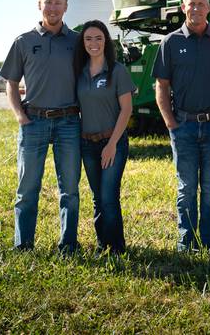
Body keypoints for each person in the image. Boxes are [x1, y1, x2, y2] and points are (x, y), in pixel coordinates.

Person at [0, 0, 82, 253]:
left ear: (66, 7)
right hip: (33, 121)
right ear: (39, 5)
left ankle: (68, 244)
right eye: (48, 2)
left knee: (69, 189)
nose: (53, 8)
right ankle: (23, 244)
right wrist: (19, 116)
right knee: (27, 188)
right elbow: (10, 82)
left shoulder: (77, 41)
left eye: (58, 3)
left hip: (69, 122)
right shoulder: (24, 41)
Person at [153, 0, 210, 255]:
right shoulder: (170, 42)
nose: (195, 8)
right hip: (183, 125)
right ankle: (186, 242)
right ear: (182, 7)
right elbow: (162, 85)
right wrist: (170, 122)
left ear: (208, 8)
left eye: (201, 4)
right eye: (190, 4)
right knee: (186, 187)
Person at [74, 20, 135, 255]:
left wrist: (111, 145)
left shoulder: (117, 70)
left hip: (113, 142)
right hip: (87, 144)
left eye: (98, 38)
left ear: (105, 41)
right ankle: (102, 245)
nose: (93, 43)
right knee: (97, 198)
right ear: (83, 43)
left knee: (109, 196)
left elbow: (127, 110)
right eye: (88, 39)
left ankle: (117, 248)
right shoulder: (78, 73)